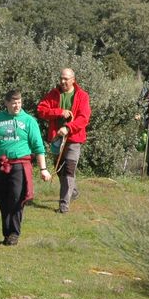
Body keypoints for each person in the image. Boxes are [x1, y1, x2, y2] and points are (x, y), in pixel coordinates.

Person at [0, 90, 51, 246]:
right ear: (6, 103)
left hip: (19, 165)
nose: (17, 106)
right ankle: (6, 233)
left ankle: (14, 233)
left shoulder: (29, 121)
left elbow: (38, 146)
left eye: (19, 102)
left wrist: (43, 169)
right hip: (1, 165)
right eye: (13, 103)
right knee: (3, 199)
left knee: (16, 199)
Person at [36, 68, 92, 213]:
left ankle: (63, 206)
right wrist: (59, 112)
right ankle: (73, 192)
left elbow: (84, 118)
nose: (62, 81)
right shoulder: (53, 94)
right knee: (60, 169)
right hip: (57, 138)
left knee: (69, 170)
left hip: (74, 139)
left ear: (73, 80)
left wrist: (68, 127)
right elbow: (41, 110)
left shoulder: (82, 96)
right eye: (61, 78)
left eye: (66, 79)